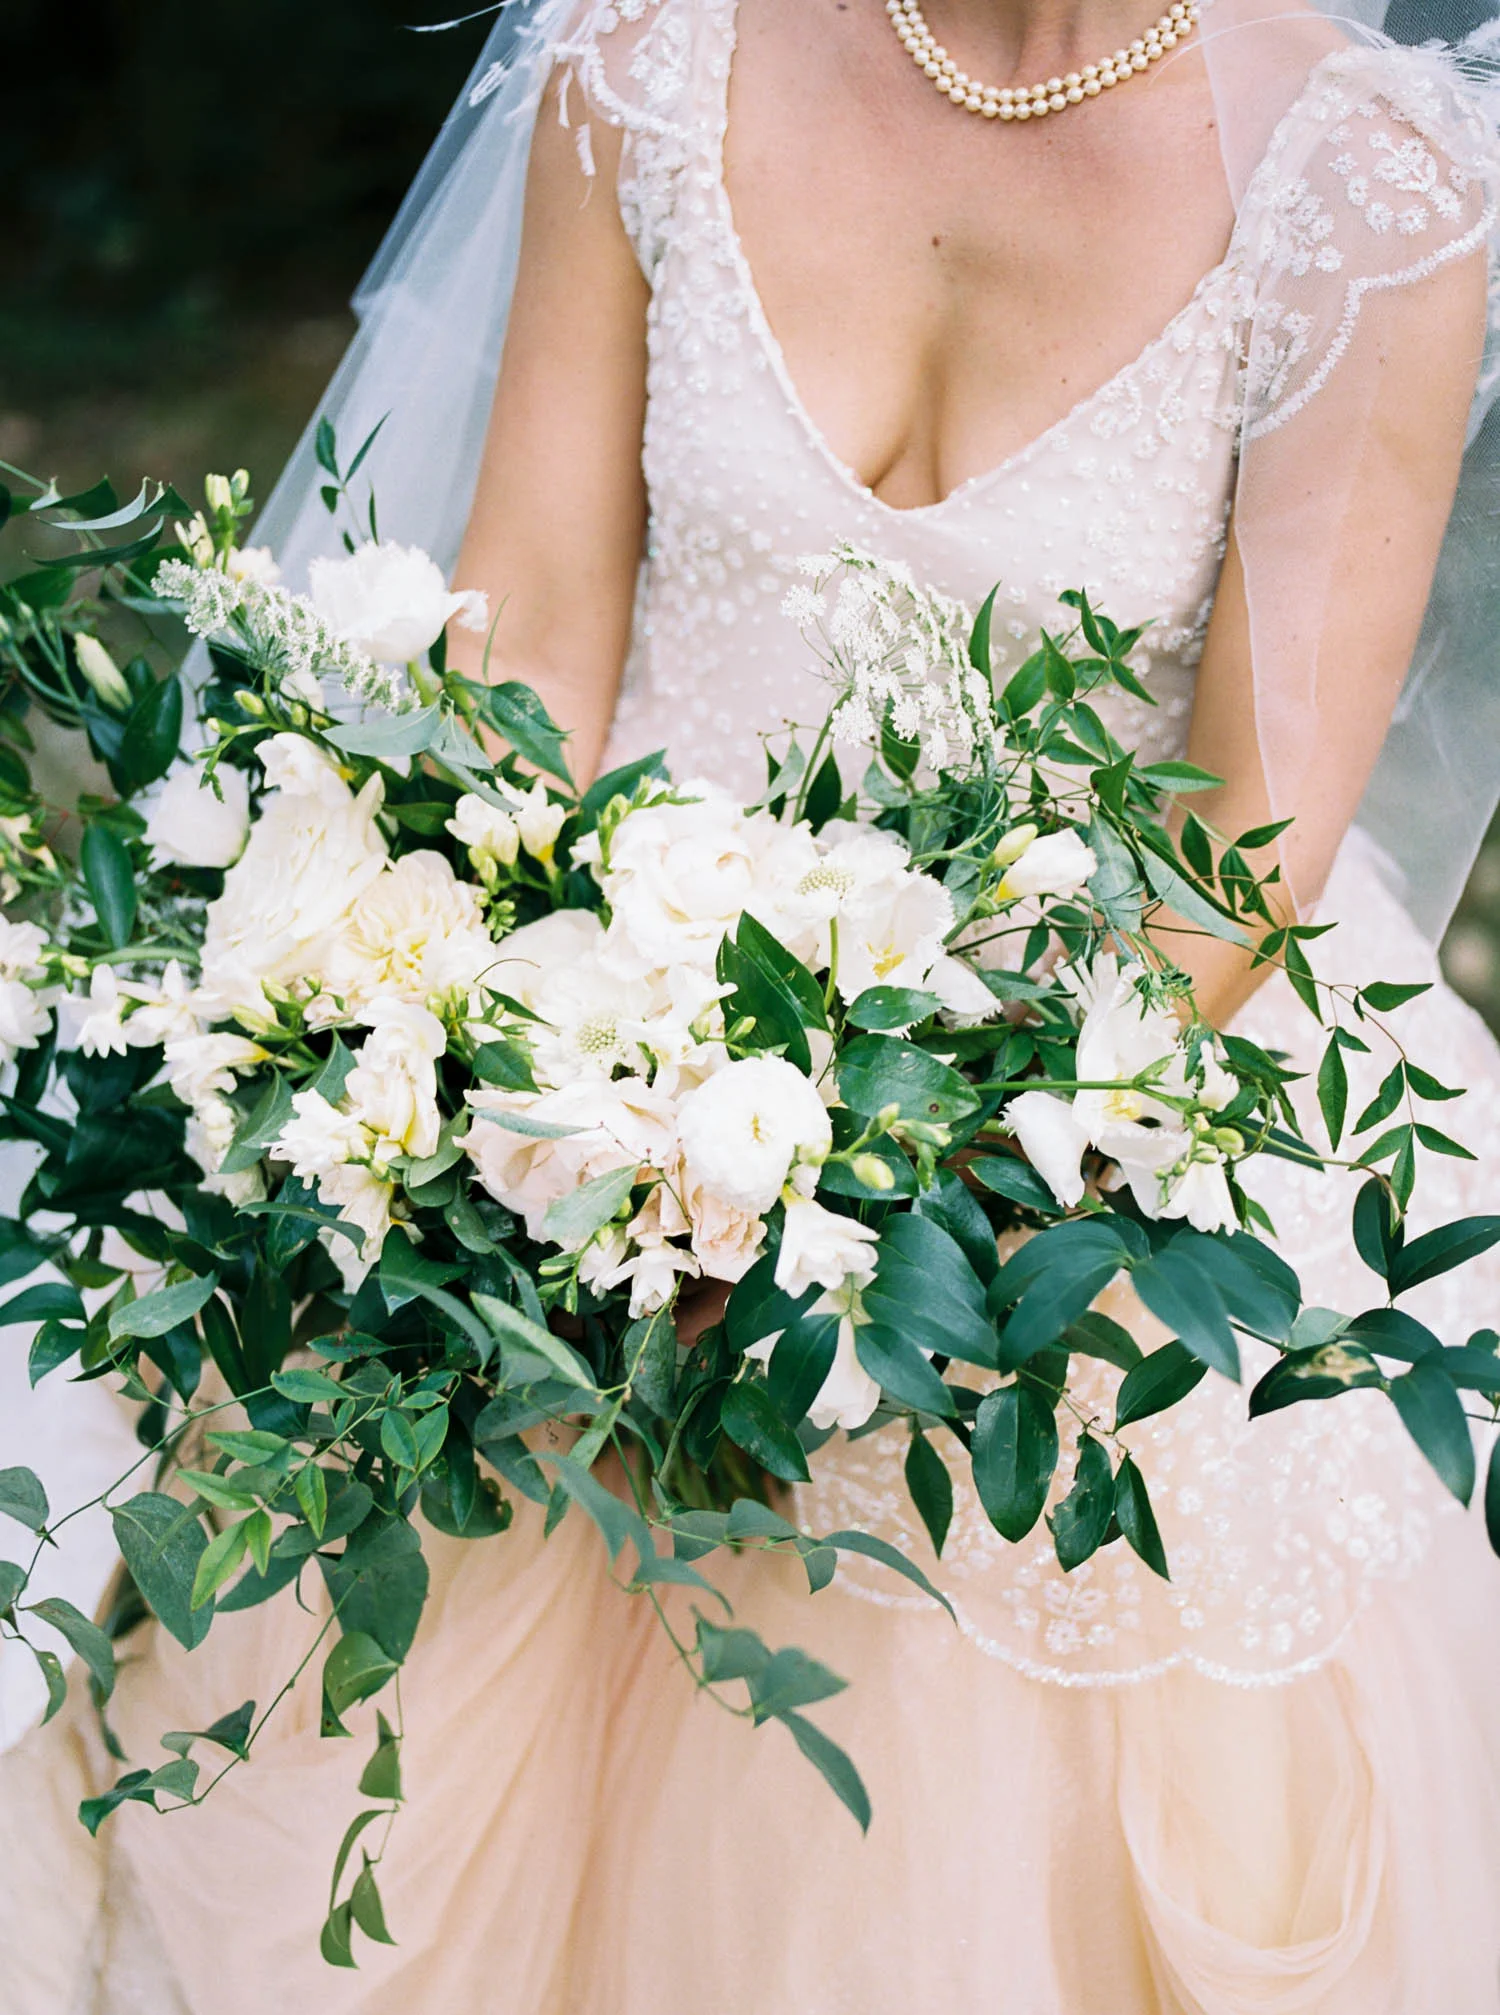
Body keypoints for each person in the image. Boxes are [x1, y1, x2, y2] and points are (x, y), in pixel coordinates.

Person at [4, 2, 1500, 2009]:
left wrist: (869, 1205)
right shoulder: (645, 57)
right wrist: (493, 1045)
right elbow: (535, 624)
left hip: (1098, 1118)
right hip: (584, 1077)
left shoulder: (1363, 185)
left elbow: (1248, 833)